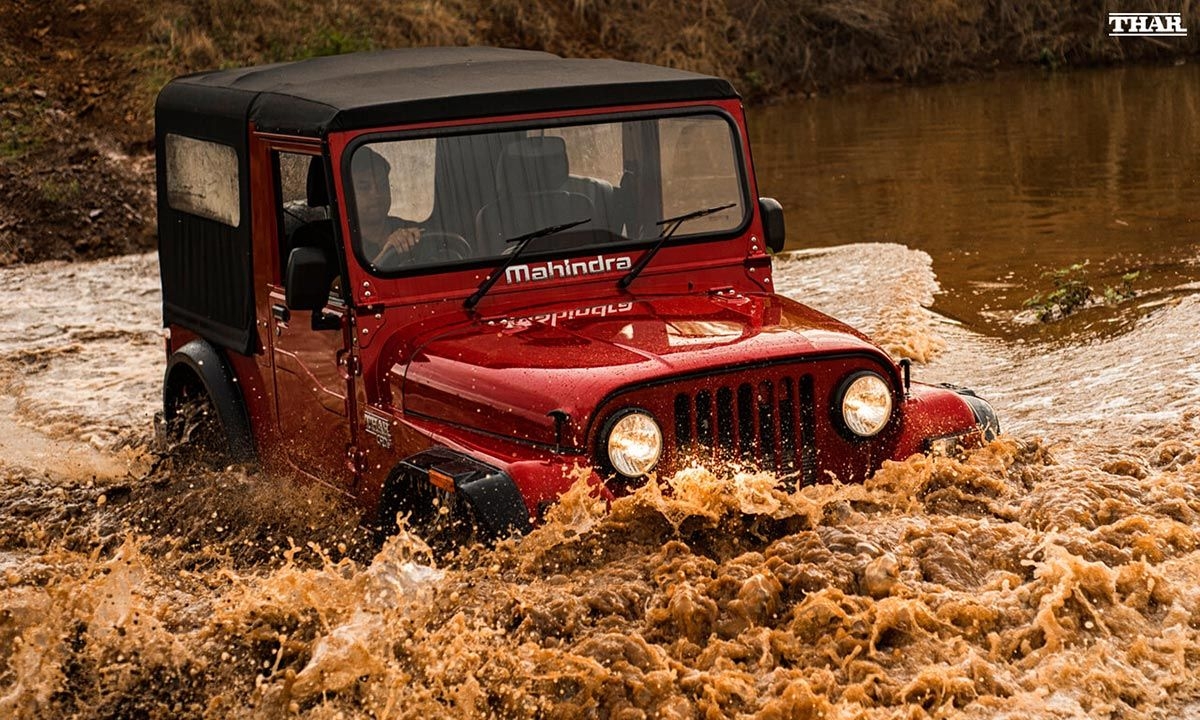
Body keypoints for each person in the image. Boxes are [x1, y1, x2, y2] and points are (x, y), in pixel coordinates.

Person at [351, 146, 422, 268]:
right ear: (347, 191)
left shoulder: (411, 230)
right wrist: (385, 256)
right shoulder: (338, 242)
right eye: (364, 188)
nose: (376, 194)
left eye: (382, 184)